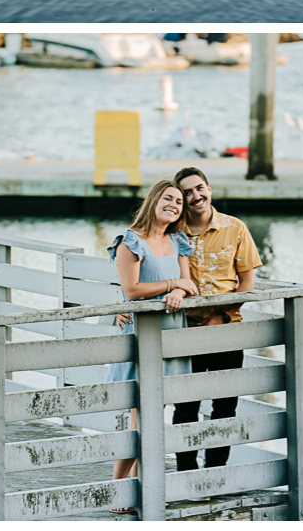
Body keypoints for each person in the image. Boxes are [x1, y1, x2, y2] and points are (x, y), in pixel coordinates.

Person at [106, 179, 198, 507]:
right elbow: (130, 290)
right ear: (154, 200)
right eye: (168, 198)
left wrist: (178, 290)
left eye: (179, 202)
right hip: (141, 334)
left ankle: (138, 485)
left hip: (171, 332)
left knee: (154, 411)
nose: (174, 204)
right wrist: (172, 282)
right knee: (139, 413)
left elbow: (189, 283)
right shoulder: (130, 241)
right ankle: (118, 487)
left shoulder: (178, 240)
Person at [171, 166, 262, 471]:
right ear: (181, 198)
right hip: (183, 330)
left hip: (227, 330)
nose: (195, 196)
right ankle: (186, 473)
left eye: (199, 188)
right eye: (187, 192)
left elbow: (246, 285)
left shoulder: (235, 228)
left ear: (209, 188)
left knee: (224, 406)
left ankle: (216, 474)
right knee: (185, 405)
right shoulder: (172, 230)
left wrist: (221, 315)